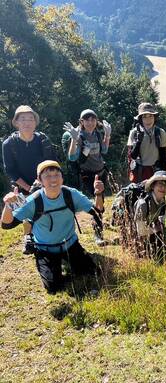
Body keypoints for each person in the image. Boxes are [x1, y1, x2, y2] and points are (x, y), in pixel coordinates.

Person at [1, 160, 104, 294]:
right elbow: (7, 224)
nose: (53, 179)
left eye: (56, 174)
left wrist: (98, 193)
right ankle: (48, 266)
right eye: (47, 176)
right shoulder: (33, 200)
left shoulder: (71, 194)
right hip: (45, 249)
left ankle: (70, 263)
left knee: (92, 272)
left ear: (62, 177)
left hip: (70, 245)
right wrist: (8, 205)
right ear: (40, 180)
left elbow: (97, 211)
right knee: (53, 287)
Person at [1, 105, 57, 254]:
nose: (27, 122)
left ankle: (49, 236)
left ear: (35, 122)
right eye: (23, 119)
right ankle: (28, 237)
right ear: (16, 122)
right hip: (19, 185)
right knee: (25, 212)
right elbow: (10, 170)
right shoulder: (8, 144)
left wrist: (41, 182)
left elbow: (52, 162)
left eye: (30, 119)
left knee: (46, 211)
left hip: (44, 183)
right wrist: (28, 188)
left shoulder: (43, 140)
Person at [64, 109, 111, 245]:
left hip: (101, 172)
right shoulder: (79, 136)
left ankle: (98, 223)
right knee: (97, 203)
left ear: (96, 121)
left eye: (93, 119)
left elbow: (105, 150)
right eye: (87, 120)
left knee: (100, 201)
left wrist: (107, 135)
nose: (90, 122)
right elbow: (72, 157)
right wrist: (74, 139)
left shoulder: (97, 134)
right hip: (88, 175)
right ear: (82, 122)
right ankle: (98, 235)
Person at [133, 171, 166, 260]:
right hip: (136, 231)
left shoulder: (162, 202)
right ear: (153, 186)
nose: (163, 187)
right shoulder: (143, 204)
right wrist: (157, 229)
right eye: (160, 184)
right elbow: (140, 231)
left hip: (149, 228)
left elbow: (162, 222)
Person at [127, 103, 166, 183]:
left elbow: (163, 156)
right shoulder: (134, 133)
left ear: (154, 118)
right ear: (140, 119)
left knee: (156, 194)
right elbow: (132, 156)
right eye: (144, 116)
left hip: (155, 170)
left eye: (151, 116)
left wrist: (164, 174)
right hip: (139, 171)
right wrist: (139, 141)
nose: (148, 119)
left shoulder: (160, 132)